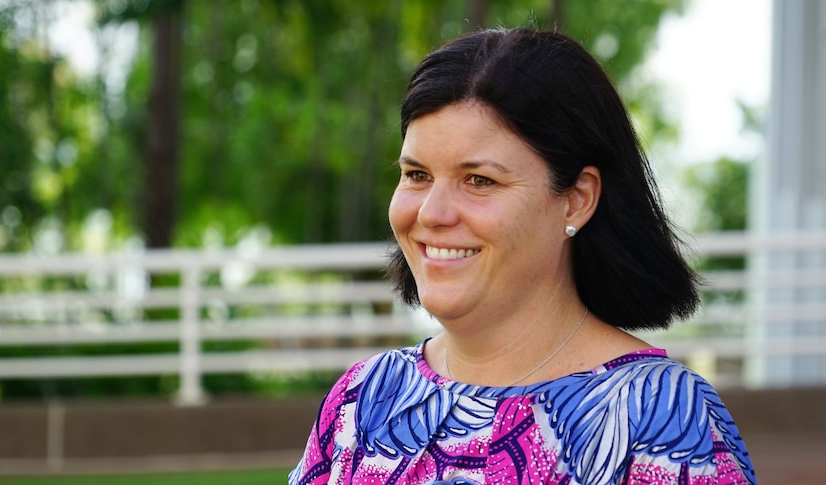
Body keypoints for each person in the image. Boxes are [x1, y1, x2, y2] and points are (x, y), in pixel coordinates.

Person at [289, 27, 756, 485]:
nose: (431, 213)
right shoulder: (364, 399)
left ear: (576, 199)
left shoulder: (658, 416)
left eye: (479, 180)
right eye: (416, 174)